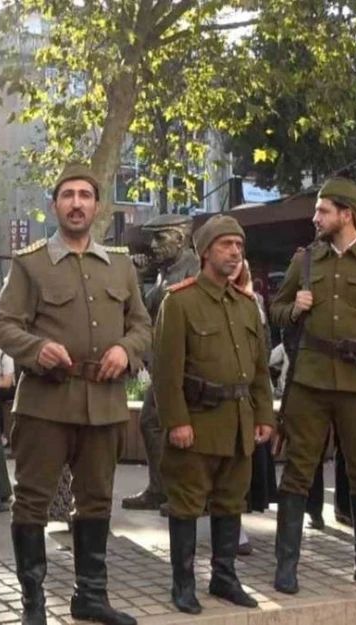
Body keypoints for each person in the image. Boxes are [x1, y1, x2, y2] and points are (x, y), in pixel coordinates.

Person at [0, 163, 152, 625]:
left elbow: (141, 323)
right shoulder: (31, 262)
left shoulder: (120, 265)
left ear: (97, 205)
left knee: (98, 499)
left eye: (85, 194)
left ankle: (91, 597)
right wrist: (37, 348)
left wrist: (127, 348)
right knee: (32, 502)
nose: (77, 202)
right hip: (45, 402)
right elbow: (4, 325)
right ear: (55, 205)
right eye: (68, 195)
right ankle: (33, 604)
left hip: (104, 403)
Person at [269, 177, 356, 595]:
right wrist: (293, 309)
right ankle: (286, 566)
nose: (315, 218)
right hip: (310, 385)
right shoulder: (307, 260)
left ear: (346, 214)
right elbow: (274, 310)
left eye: (322, 210)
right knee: (297, 472)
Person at [154, 216, 274, 613]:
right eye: (226, 245)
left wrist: (264, 417)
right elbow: (166, 372)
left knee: (230, 502)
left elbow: (258, 370)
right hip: (197, 421)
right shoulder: (180, 300)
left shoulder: (246, 305)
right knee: (186, 504)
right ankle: (182, 584)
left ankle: (224, 577)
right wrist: (176, 421)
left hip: (238, 422)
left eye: (239, 246)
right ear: (205, 252)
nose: (235, 252)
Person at [122, 214, 200, 512]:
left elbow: (164, 307)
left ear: (180, 239)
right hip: (165, 364)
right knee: (151, 423)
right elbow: (147, 310)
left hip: (186, 365)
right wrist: (140, 276)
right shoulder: (165, 270)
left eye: (160, 237)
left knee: (166, 426)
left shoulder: (193, 268)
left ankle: (180, 492)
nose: (152, 245)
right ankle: (161, 488)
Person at [231, 260, 276, 556]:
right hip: (218, 398)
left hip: (250, 394)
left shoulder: (254, 301)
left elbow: (264, 356)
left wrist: (265, 409)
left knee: (247, 463)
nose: (233, 258)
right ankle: (231, 527)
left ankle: (238, 520)